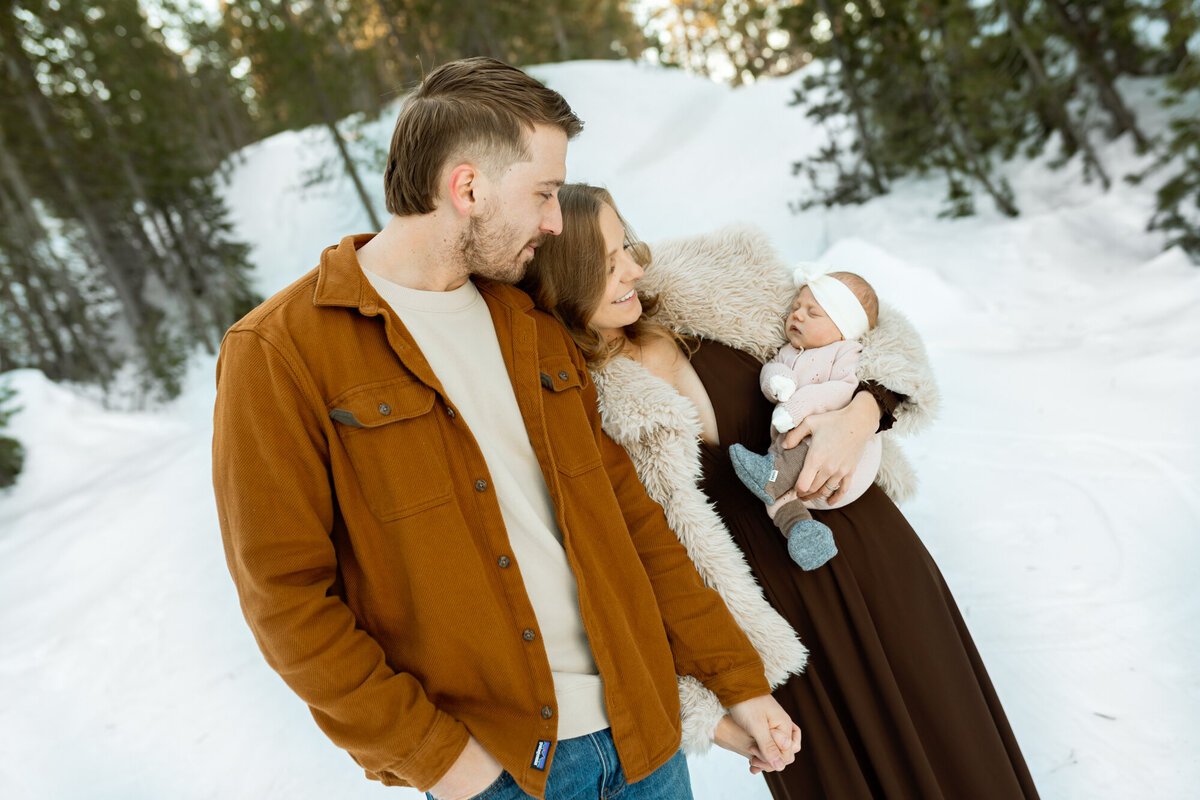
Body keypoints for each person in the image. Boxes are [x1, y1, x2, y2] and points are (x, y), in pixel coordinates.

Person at [211, 60, 802, 800]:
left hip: (645, 742)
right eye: (545, 194)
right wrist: (440, 760)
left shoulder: (528, 325)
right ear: (468, 189)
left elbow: (632, 523)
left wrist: (735, 680)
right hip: (505, 772)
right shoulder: (280, 353)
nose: (556, 222)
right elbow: (286, 597)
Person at [520, 183, 1042, 800]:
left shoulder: (712, 286)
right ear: (563, 278)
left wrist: (862, 414)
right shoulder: (573, 403)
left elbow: (876, 325)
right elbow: (624, 579)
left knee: (956, 748)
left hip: (872, 559)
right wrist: (710, 708)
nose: (636, 267)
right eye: (608, 264)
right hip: (777, 632)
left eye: (627, 244)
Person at [727, 268, 883, 570]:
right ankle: (804, 534)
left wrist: (798, 405)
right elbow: (771, 370)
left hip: (839, 456)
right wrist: (776, 382)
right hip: (802, 474)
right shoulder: (789, 351)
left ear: (842, 326)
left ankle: (769, 476)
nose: (797, 316)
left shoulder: (845, 351)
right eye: (796, 308)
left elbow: (844, 390)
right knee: (782, 500)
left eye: (813, 312)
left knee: (786, 461)